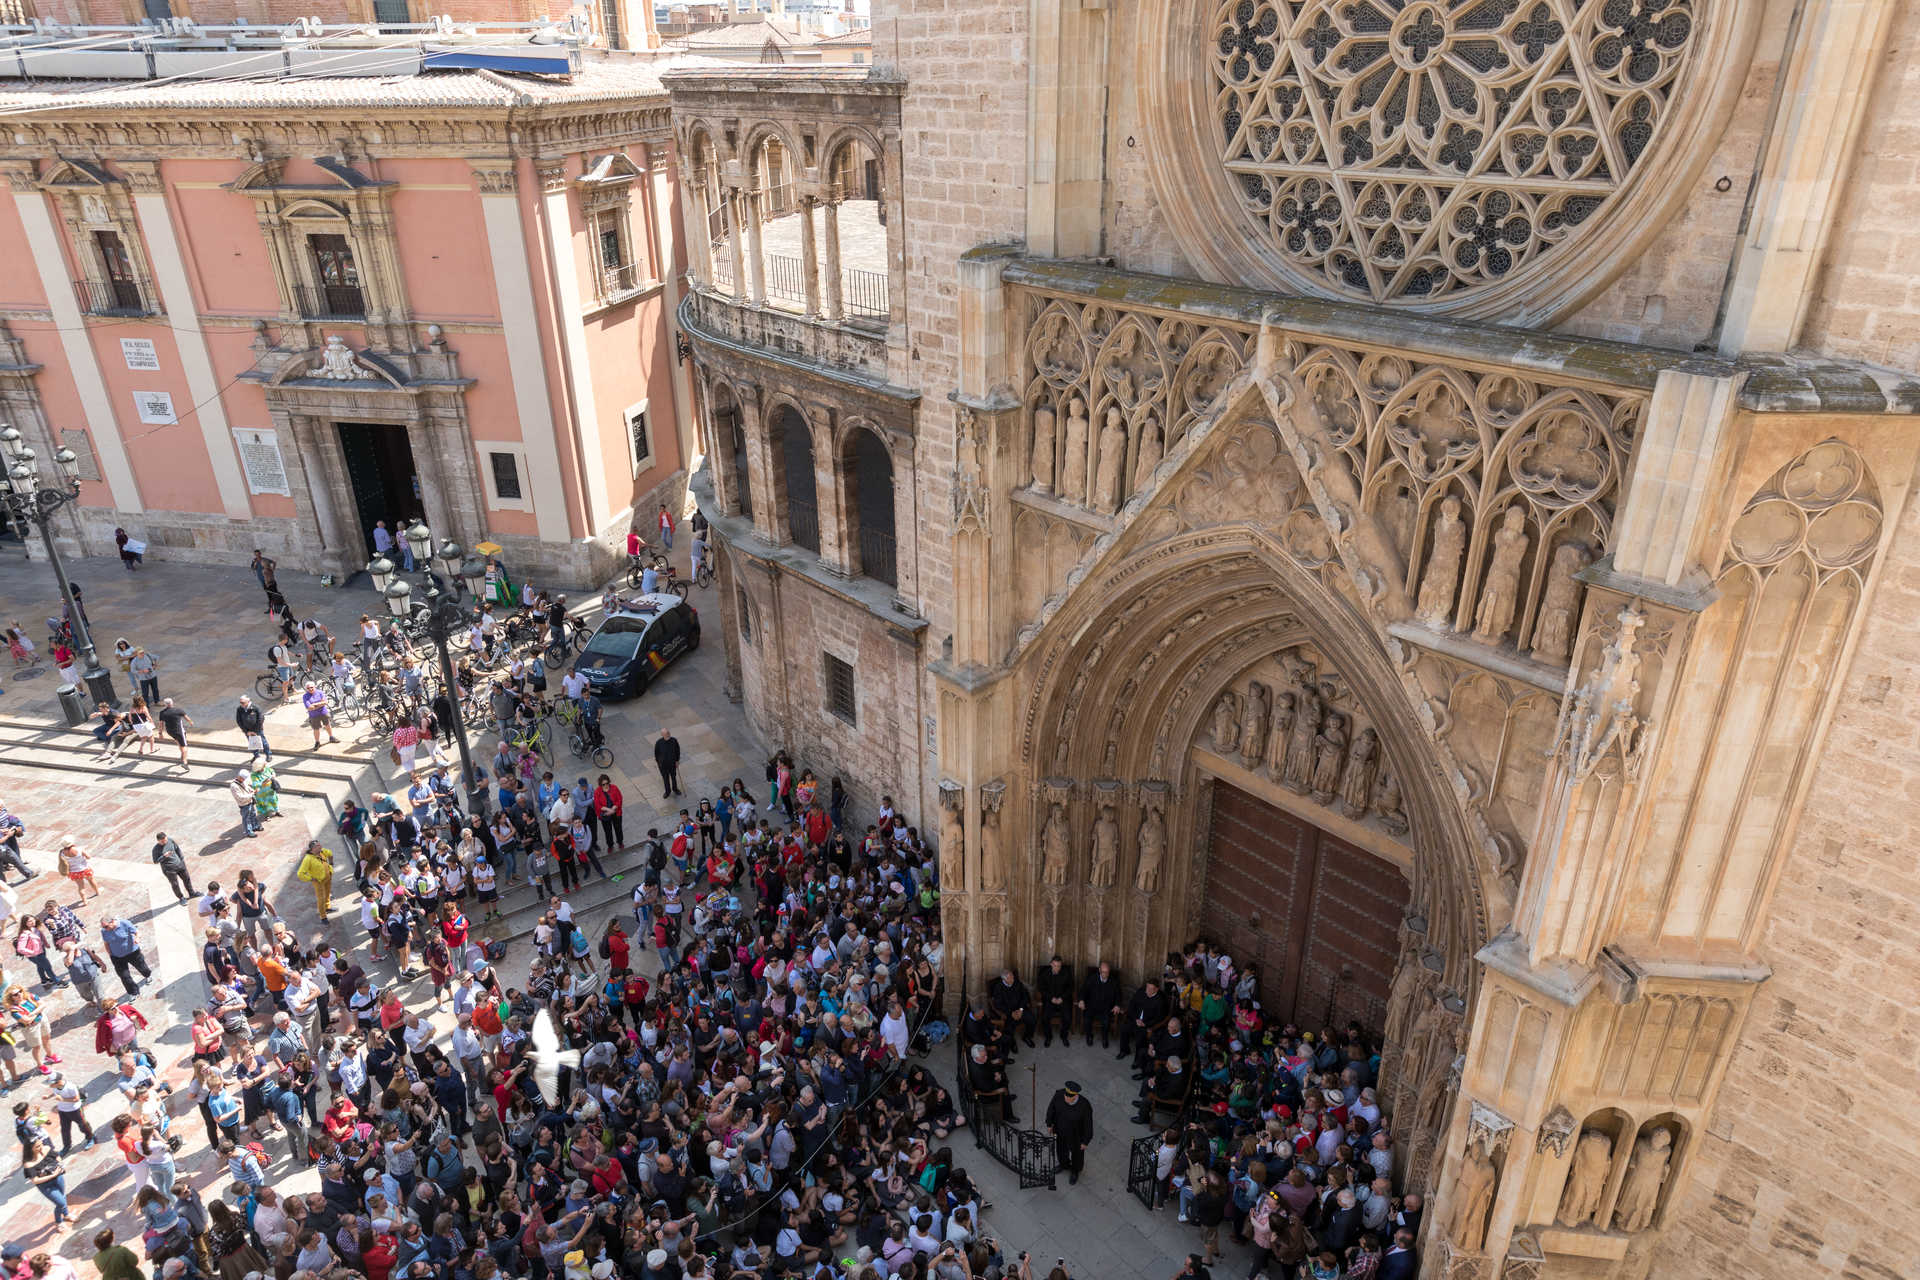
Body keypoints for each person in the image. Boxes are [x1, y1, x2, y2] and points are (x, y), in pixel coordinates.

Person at [1044, 1080, 1094, 1185]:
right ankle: (1064, 1164)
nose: (1066, 1098)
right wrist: (1049, 1123)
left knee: (1077, 1155)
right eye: (1065, 1096)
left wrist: (1085, 1141)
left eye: (1069, 1097)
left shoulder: (1084, 1106)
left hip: (1076, 1136)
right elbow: (1051, 1109)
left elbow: (1088, 1125)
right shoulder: (1059, 1095)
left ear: (1075, 1096)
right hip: (1060, 1132)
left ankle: (1075, 1171)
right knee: (1061, 1150)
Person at [99, 915, 152, 994]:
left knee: (142, 967)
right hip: (117, 957)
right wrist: (110, 954)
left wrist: (137, 938)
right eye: (103, 927)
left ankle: (147, 975)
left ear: (112, 921)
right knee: (124, 976)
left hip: (132, 952)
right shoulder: (104, 931)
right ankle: (133, 992)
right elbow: (106, 943)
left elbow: (137, 932)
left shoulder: (124, 923)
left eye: (106, 926)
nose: (105, 929)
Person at [151, 832, 194, 901]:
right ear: (158, 841)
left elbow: (177, 849)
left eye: (165, 840)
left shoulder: (170, 840)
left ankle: (192, 893)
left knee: (187, 879)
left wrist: (182, 860)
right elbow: (155, 861)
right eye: (162, 841)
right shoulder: (155, 849)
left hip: (180, 865)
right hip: (169, 870)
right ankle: (181, 898)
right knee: (175, 884)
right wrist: (164, 856)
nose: (165, 842)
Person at [156, 698, 192, 767]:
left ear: (165, 705)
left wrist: (160, 734)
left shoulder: (162, 713)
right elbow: (187, 718)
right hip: (179, 731)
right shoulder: (178, 710)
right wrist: (191, 722)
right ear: (172, 703)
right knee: (184, 746)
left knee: (179, 742)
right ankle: (185, 762)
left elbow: (161, 724)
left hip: (170, 731)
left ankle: (182, 755)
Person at [235, 695, 271, 762]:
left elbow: (261, 719)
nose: (241, 704)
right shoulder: (239, 709)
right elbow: (239, 721)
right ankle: (256, 756)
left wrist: (255, 731)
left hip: (257, 730)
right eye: (240, 702)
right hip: (248, 731)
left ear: (248, 701)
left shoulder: (255, 708)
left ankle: (268, 754)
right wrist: (246, 731)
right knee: (253, 744)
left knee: (263, 742)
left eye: (243, 702)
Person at [230, 771, 262, 838]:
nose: (245, 780)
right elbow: (240, 797)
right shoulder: (234, 786)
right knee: (246, 818)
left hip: (249, 801)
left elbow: (247, 787)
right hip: (243, 804)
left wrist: (252, 790)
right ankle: (249, 832)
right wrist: (252, 794)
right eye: (244, 779)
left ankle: (255, 826)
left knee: (253, 814)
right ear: (240, 777)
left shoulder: (242, 781)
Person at [654, 728, 681, 798]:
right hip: (663, 766)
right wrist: (659, 763)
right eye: (666, 733)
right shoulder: (659, 743)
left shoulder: (674, 740)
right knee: (665, 779)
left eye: (668, 732)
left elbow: (677, 751)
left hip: (672, 764)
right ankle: (667, 791)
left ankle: (675, 789)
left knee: (673, 777)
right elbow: (656, 753)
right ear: (662, 735)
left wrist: (677, 760)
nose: (668, 734)